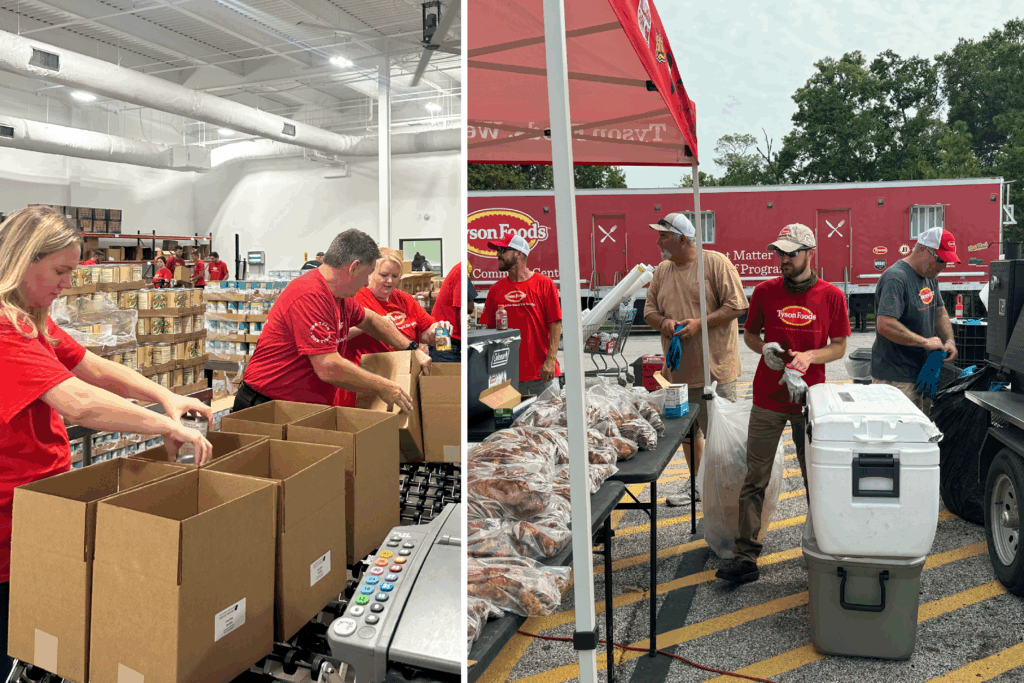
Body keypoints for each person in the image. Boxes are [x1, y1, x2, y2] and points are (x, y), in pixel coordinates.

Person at [0, 207, 213, 676]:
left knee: (41, 639)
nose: (67, 284)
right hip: (7, 523)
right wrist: (163, 426)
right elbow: (78, 402)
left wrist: (165, 396)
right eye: (59, 271)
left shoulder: (32, 321)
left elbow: (92, 367)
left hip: (38, 506)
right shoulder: (3, 327)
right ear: (21, 259)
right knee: (16, 642)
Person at [718, 223, 851, 585]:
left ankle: (824, 546)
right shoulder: (764, 291)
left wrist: (811, 356)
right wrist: (763, 349)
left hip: (812, 401)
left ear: (810, 253)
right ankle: (745, 557)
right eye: (779, 252)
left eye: (791, 253)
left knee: (816, 476)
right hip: (768, 397)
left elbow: (839, 345)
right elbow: (749, 334)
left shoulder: (831, 296)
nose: (783, 260)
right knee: (754, 478)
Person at [234, 230, 431, 411]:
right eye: (367, 274)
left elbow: (370, 319)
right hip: (266, 404)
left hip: (300, 406)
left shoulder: (340, 296)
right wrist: (382, 385)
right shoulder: (310, 294)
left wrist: (411, 349)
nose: (365, 282)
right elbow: (328, 367)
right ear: (354, 267)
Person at [642, 212, 748, 506]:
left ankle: (727, 492)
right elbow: (649, 311)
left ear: (682, 238)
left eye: (663, 235)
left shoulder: (715, 263)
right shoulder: (663, 270)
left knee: (722, 438)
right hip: (678, 374)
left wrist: (700, 324)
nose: (658, 240)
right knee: (689, 435)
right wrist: (662, 322)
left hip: (715, 370)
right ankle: (699, 485)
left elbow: (737, 305)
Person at [335, 248, 453, 406]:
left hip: (403, 381)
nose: (390, 281)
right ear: (369, 274)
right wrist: (370, 324)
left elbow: (424, 333)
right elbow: (334, 337)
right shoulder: (353, 298)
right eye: (384, 275)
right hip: (365, 385)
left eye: (395, 276)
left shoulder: (404, 299)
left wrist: (437, 331)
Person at [871, 226, 959, 413]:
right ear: (922, 249)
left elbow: (940, 312)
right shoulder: (896, 278)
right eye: (941, 260)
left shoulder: (930, 275)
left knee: (919, 435)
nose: (943, 267)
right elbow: (885, 324)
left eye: (947, 262)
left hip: (922, 374)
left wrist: (949, 340)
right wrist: (924, 342)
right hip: (896, 377)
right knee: (899, 435)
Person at [479, 233, 562, 396]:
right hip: (506, 375)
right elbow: (489, 331)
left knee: (549, 420)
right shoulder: (495, 290)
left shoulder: (545, 284)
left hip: (542, 372)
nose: (498, 255)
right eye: (498, 251)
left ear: (518, 253)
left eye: (502, 250)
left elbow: (555, 324)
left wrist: (551, 360)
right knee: (511, 422)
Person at [429, 262, 464, 362]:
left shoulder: (462, 270)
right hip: (443, 333)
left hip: (447, 333)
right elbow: (463, 309)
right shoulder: (461, 270)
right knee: (446, 372)